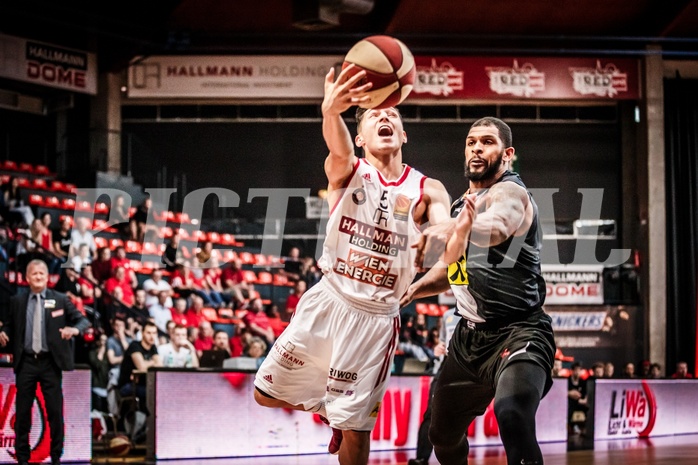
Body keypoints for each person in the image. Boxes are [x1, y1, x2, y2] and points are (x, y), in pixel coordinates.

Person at [253, 64, 452, 465]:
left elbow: (446, 227)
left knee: (357, 439)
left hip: (375, 320)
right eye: (375, 114)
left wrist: (443, 231)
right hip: (328, 300)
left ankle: (345, 417)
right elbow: (338, 146)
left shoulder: (427, 188)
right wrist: (331, 113)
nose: (385, 116)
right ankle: (331, 410)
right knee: (264, 393)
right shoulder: (347, 168)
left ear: (404, 133)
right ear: (360, 136)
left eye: (392, 113)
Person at [400, 117, 556, 465]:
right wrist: (412, 291)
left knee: (513, 413)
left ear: (507, 153)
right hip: (469, 340)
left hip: (520, 331)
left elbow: (498, 226)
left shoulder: (510, 192)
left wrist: (458, 226)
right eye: (471, 142)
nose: (476, 149)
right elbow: (452, 273)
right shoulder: (460, 206)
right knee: (440, 435)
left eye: (487, 142)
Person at [0, 259, 90, 465]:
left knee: (55, 413)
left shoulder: (60, 299)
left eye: (42, 273)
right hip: (26, 363)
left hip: (51, 363)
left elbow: (83, 320)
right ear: (27, 278)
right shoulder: (17, 301)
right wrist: (3, 333)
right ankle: (22, 457)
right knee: (22, 414)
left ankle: (56, 455)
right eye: (34, 274)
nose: (38, 277)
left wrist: (74, 330)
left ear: (48, 276)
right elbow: (9, 326)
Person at [408, 307, 459, 465]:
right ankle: (422, 458)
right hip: (445, 367)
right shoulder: (448, 315)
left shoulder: (478, 312)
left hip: (466, 368)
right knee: (431, 413)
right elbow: (442, 342)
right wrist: (439, 348)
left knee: (458, 417)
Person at [567, 362, 588, 435]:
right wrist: (569, 393)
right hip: (570, 402)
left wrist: (584, 400)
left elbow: (586, 394)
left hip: (581, 402)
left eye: (579, 370)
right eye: (576, 370)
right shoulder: (567, 381)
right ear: (572, 371)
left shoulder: (583, 382)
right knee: (570, 406)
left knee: (589, 408)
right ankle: (573, 426)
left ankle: (587, 427)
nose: (577, 372)